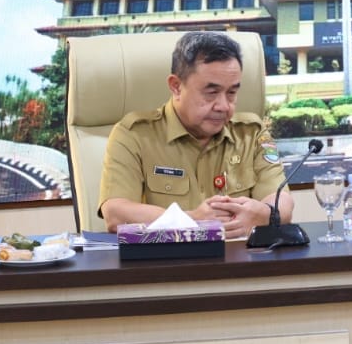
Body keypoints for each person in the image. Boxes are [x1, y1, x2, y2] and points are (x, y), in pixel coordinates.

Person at [98, 31, 293, 238]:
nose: (224, 106)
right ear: (176, 87)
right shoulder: (135, 135)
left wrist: (265, 214)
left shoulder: (251, 134)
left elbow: (283, 201)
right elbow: (116, 213)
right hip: (167, 266)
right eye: (211, 93)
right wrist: (192, 220)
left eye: (232, 92)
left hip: (240, 263)